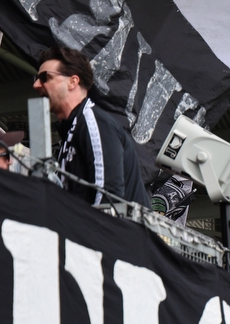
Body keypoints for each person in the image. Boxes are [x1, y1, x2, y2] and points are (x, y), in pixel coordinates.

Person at [33, 46, 148, 206]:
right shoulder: (71, 131)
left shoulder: (93, 121)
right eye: (36, 78)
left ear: (72, 81)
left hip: (115, 230)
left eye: (45, 77)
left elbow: (108, 197)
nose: (36, 85)